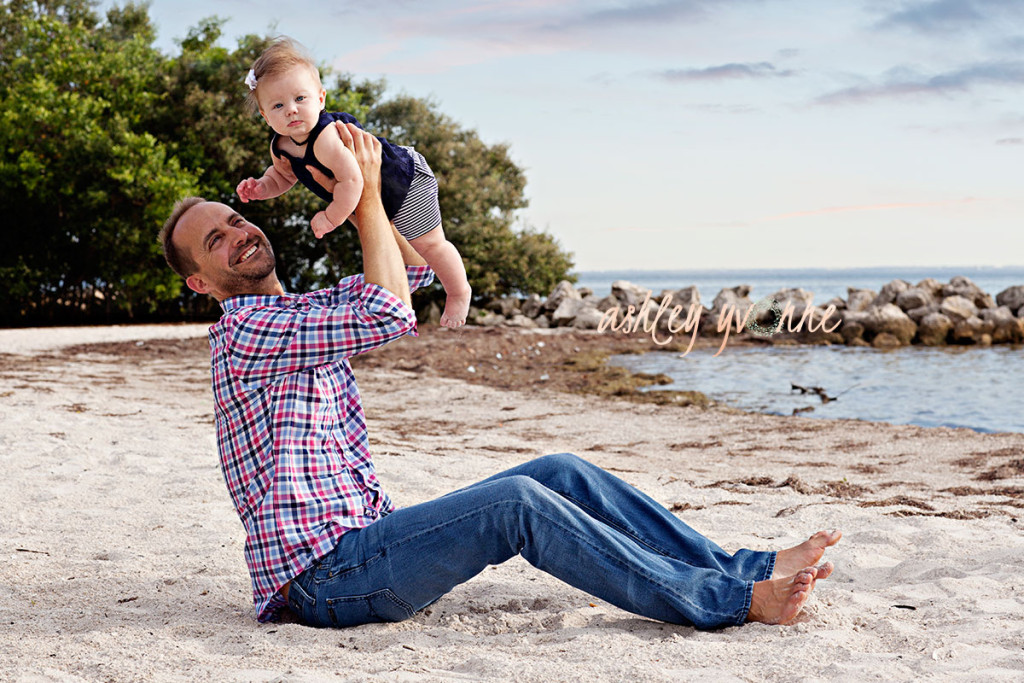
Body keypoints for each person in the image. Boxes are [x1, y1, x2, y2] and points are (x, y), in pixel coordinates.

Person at [159, 120, 841, 631]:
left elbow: (416, 271)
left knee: (561, 471)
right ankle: (729, 601)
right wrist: (362, 206)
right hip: (322, 579)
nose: (239, 234)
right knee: (516, 502)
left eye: (236, 219)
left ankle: (743, 566)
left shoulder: (303, 308)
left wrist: (358, 178)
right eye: (215, 240)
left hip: (365, 543)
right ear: (199, 278)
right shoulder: (244, 331)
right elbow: (386, 309)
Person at [236, 37, 471, 328]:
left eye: (300, 99)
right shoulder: (281, 146)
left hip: (406, 181)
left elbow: (352, 180)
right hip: (380, 194)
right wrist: (262, 187)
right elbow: (283, 176)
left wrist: (331, 216)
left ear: (320, 98)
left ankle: (459, 292)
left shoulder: (326, 139)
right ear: (265, 115)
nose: (291, 110)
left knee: (430, 245)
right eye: (278, 105)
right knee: (406, 256)